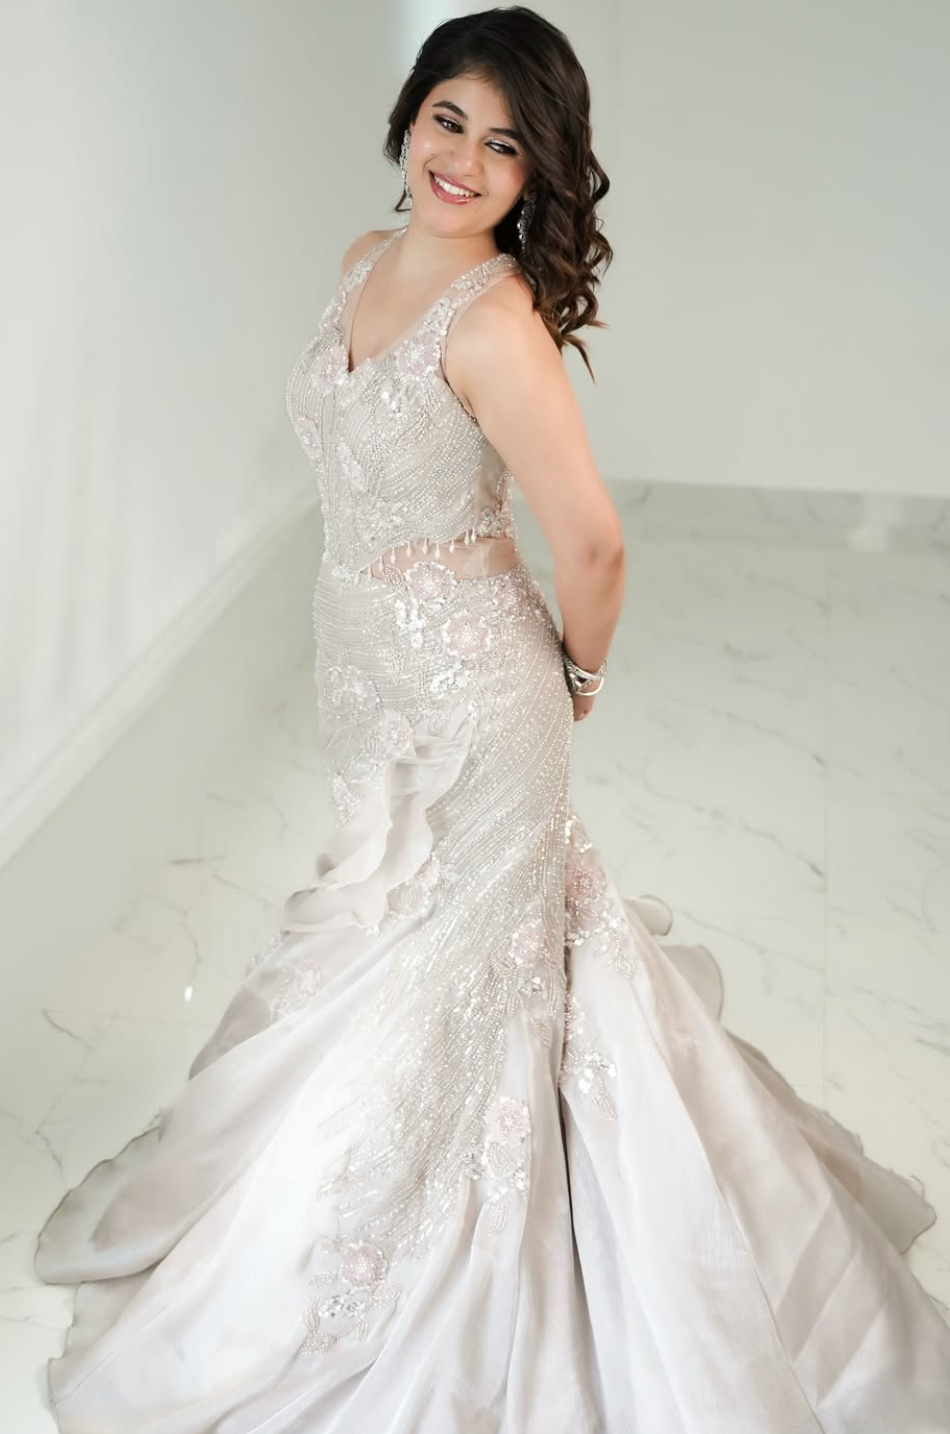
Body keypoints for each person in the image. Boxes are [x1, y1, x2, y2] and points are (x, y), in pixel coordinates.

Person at [34, 7, 950, 1431]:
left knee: (454, 978)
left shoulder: (496, 323)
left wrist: (576, 678)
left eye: (504, 144)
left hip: (474, 702)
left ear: (540, 173)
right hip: (369, 679)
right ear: (409, 115)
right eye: (447, 119)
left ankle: (459, 1253)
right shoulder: (362, 260)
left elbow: (592, 543)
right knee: (378, 933)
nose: (462, 158)